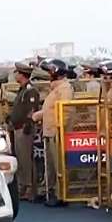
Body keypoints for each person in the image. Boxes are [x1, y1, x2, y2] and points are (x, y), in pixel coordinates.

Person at [31, 59, 73, 207]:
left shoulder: (64, 89)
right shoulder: (56, 89)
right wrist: (39, 115)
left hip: (57, 132)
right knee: (51, 165)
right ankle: (50, 192)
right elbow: (51, 110)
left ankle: (61, 195)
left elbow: (65, 111)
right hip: (50, 131)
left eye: (50, 71)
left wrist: (59, 128)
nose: (48, 74)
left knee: (59, 165)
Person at [8, 62, 41, 203]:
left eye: (17, 73)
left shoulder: (30, 90)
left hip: (24, 129)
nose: (15, 75)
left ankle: (29, 188)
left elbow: (32, 109)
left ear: (22, 74)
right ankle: (23, 186)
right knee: (21, 160)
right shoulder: (22, 90)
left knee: (26, 160)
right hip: (17, 128)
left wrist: (28, 124)